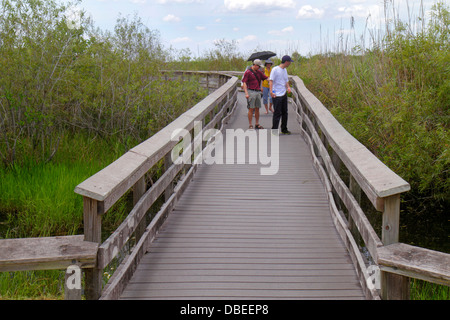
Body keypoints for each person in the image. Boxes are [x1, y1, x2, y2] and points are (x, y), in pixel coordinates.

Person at [270, 55, 294, 135]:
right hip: (276, 94)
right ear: (286, 62)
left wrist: (288, 88)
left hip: (283, 93)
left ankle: (284, 129)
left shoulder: (285, 70)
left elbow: (286, 81)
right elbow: (271, 81)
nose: (290, 63)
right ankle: (274, 130)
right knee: (277, 113)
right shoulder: (275, 69)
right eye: (289, 62)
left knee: (285, 112)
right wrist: (271, 91)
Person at [242, 59, 268, 129]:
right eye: (259, 66)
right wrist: (246, 93)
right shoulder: (248, 72)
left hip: (258, 91)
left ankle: (257, 123)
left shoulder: (259, 72)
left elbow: (266, 78)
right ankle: (250, 124)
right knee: (251, 108)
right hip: (251, 91)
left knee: (257, 108)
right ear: (255, 65)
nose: (259, 68)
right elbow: (244, 82)